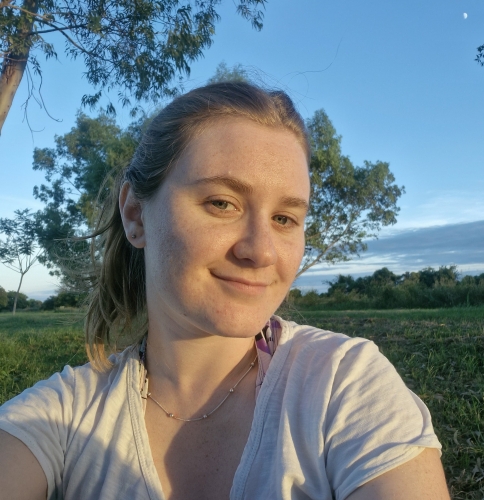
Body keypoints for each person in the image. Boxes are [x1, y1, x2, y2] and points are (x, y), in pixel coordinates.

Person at [0, 82, 450, 500]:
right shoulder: (60, 416)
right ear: (136, 215)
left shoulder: (343, 384)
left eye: (284, 218)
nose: (261, 251)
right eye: (222, 203)